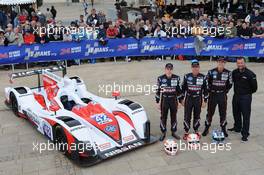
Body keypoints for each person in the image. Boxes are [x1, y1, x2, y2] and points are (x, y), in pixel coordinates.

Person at [228, 58, 258, 142]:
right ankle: (237, 128)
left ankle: (245, 134)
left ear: (244, 63)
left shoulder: (250, 74)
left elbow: (254, 88)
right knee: (236, 113)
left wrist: (247, 94)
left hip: (245, 97)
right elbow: (231, 82)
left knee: (245, 116)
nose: (239, 64)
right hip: (236, 96)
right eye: (238, 63)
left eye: (241, 63)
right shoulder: (234, 72)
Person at [202, 58, 232, 137]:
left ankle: (223, 128)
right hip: (213, 95)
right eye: (219, 62)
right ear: (217, 62)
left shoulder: (228, 73)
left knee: (223, 112)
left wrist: (225, 91)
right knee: (210, 112)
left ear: (225, 63)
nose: (221, 63)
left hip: (222, 95)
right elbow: (206, 82)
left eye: (223, 62)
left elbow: (230, 84)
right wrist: (210, 90)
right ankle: (207, 127)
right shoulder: (211, 71)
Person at [182, 60, 208, 140]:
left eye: (196, 67)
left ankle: (196, 130)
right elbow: (183, 89)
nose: (195, 69)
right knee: (187, 116)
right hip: (189, 98)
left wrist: (205, 101)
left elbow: (206, 90)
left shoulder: (203, 77)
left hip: (198, 99)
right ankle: (186, 131)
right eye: (194, 67)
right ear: (191, 68)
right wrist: (181, 99)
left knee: (197, 115)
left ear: (199, 68)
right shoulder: (186, 76)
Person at [155, 63, 183, 141]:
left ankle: (173, 132)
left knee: (174, 117)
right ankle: (163, 133)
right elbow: (158, 91)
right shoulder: (160, 78)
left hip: (173, 100)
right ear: (165, 69)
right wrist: (157, 102)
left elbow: (179, 90)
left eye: (170, 69)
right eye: (167, 69)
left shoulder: (176, 78)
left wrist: (180, 102)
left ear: (172, 70)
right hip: (164, 100)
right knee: (163, 117)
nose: (169, 71)